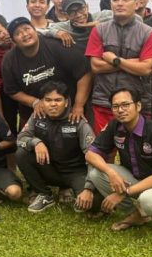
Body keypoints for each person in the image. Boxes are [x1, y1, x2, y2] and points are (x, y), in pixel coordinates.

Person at [82, 86, 152, 235]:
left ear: (138, 106)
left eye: (125, 105)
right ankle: (137, 214)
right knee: (96, 173)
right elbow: (90, 155)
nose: (120, 110)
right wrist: (111, 172)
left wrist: (124, 193)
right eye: (116, 106)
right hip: (139, 179)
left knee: (148, 199)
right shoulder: (115, 125)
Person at [86, 0, 152, 132]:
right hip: (104, 101)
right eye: (116, 0)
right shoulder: (99, 30)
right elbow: (96, 66)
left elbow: (146, 69)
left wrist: (115, 60)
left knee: (137, 144)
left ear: (137, 4)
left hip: (137, 103)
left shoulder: (148, 33)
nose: (120, 3)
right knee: (103, 145)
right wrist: (132, 63)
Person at [15, 81, 95, 213]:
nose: (53, 104)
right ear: (42, 102)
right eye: (48, 100)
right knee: (21, 153)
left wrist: (89, 188)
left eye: (58, 100)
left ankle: (76, 191)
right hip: (49, 169)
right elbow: (20, 139)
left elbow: (93, 155)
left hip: (75, 173)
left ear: (66, 102)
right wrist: (36, 142)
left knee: (92, 205)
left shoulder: (77, 121)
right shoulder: (37, 116)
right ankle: (44, 194)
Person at [0, 16, 91, 129]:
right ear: (13, 41)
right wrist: (34, 102)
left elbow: (84, 73)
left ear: (35, 31)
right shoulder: (9, 61)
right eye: (18, 33)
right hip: (35, 116)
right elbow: (12, 90)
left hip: (69, 111)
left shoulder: (56, 46)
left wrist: (78, 105)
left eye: (27, 29)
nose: (24, 34)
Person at [43, 0, 111, 53]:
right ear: (66, 15)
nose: (78, 15)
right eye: (72, 12)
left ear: (87, 7)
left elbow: (115, 16)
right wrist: (57, 33)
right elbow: (44, 30)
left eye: (81, 9)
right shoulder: (64, 27)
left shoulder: (101, 16)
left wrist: (99, 25)